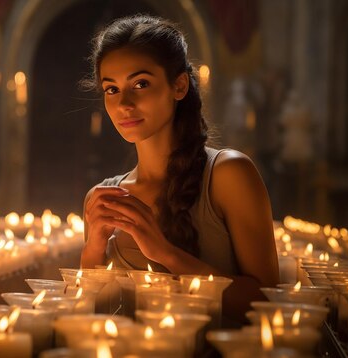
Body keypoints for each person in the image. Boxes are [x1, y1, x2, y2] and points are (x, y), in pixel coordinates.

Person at [80, 14, 279, 323]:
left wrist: (166, 254)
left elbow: (267, 302)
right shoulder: (104, 197)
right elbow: (90, 312)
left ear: (179, 86)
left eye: (141, 83)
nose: (124, 104)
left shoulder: (228, 175)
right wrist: (92, 249)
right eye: (111, 89)